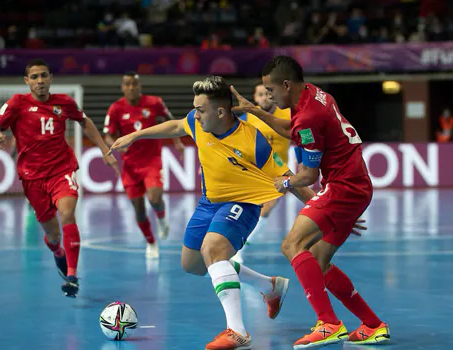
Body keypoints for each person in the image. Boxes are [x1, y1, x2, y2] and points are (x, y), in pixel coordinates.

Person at [110, 76, 318, 350]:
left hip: (243, 203)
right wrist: (137, 134)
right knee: (193, 264)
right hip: (209, 203)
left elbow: (290, 177)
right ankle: (270, 287)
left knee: (213, 249)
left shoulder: (253, 141)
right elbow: (176, 125)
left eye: (200, 109)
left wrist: (322, 207)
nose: (195, 114)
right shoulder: (198, 123)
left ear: (220, 111)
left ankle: (238, 331)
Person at [231, 55, 389, 349]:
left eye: (270, 90)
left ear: (286, 85)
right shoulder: (315, 95)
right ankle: (373, 325)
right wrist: (254, 110)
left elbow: (308, 175)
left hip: (344, 187)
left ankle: (328, 323)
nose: (269, 95)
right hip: (354, 186)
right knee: (318, 261)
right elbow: (291, 129)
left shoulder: (307, 117)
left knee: (292, 245)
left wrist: (284, 182)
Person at [0, 59, 119, 297]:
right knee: (52, 235)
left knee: (68, 213)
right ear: (27, 81)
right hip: (32, 178)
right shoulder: (17, 103)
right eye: (34, 77)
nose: (40, 81)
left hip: (62, 170)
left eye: (44, 76)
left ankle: (72, 275)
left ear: (51, 78)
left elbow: (84, 122)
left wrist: (103, 150)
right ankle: (57, 250)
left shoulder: (64, 102)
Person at [103, 72, 185, 259]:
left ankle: (162, 218)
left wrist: (178, 142)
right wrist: (115, 146)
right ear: (122, 87)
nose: (132, 87)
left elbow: (172, 122)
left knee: (155, 197)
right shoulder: (115, 108)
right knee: (139, 211)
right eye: (128, 84)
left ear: (140, 86)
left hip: (152, 161)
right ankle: (151, 243)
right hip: (130, 166)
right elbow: (107, 134)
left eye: (135, 84)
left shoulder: (155, 102)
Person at [233, 81, 291, 262]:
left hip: (278, 171)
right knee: (247, 210)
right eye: (260, 94)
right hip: (253, 171)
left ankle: (240, 248)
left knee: (266, 209)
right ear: (254, 98)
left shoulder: (288, 113)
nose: (264, 97)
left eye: (267, 93)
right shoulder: (247, 118)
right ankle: (235, 244)